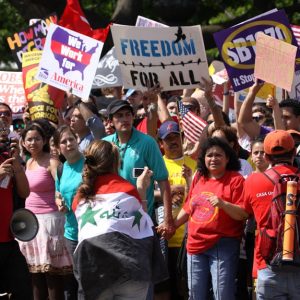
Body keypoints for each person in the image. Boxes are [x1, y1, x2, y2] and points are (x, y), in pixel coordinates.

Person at [72, 140, 168, 300]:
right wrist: (141, 191)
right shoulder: (128, 190)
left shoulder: (80, 196)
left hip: (95, 273)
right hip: (132, 272)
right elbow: (142, 224)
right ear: (116, 162)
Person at [159, 137, 246, 299]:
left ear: (228, 158)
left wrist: (223, 204)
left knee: (222, 295)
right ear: (203, 158)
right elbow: (189, 206)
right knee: (195, 294)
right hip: (195, 244)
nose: (213, 159)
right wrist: (172, 225)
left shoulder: (236, 180)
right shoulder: (199, 177)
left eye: (218, 155)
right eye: (209, 155)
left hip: (223, 244)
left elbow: (242, 214)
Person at [242, 130, 300, 299]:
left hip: (268, 265)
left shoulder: (253, 181)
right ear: (294, 152)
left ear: (267, 157)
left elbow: (244, 213)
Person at [103, 99, 174, 236]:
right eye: (119, 116)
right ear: (110, 121)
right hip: (112, 217)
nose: (125, 119)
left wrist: (167, 219)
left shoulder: (148, 143)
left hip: (142, 216)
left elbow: (163, 181)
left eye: (128, 114)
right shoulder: (105, 144)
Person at [19, 123, 72, 300]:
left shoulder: (52, 161)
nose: (33, 142)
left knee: (52, 275)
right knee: (35, 275)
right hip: (30, 224)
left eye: (37, 138)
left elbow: (63, 187)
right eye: (29, 139)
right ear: (23, 143)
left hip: (50, 222)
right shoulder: (28, 162)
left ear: (44, 141)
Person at [158, 120, 196, 300]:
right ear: (161, 143)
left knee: (186, 290)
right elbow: (146, 192)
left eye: (176, 137)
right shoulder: (156, 164)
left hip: (188, 237)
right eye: (168, 138)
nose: (173, 141)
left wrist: (187, 186)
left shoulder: (194, 164)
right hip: (164, 238)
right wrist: (167, 192)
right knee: (167, 290)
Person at [0, 122, 32, 300]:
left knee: (23, 289)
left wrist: (17, 166)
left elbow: (24, 192)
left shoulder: (7, 158)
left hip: (8, 240)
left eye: (3, 130)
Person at [54, 125, 85, 299]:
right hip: (72, 233)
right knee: (80, 278)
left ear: (77, 140)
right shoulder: (60, 168)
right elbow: (57, 194)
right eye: (63, 142)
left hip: (92, 230)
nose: (68, 144)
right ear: (58, 148)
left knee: (93, 278)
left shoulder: (90, 163)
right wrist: (59, 202)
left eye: (71, 139)